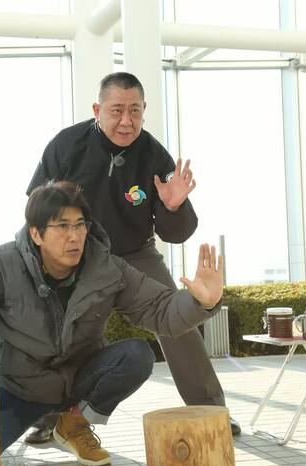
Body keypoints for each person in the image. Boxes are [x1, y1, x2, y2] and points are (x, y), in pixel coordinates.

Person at [0, 181, 224, 465]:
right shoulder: (1, 264)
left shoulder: (107, 268)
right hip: (19, 389)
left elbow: (159, 309)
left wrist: (201, 302)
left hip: (79, 382)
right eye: (63, 226)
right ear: (36, 234)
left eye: (80, 225)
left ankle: (74, 423)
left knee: (137, 356)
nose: (75, 236)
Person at [26, 72, 239, 440]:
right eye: (117, 110)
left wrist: (173, 207)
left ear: (144, 111)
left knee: (178, 321)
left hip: (135, 253)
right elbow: (36, 205)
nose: (126, 121)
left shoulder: (153, 155)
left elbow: (176, 234)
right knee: (57, 331)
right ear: (98, 110)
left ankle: (211, 410)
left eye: (135, 111)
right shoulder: (67, 145)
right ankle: (46, 418)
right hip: (78, 255)